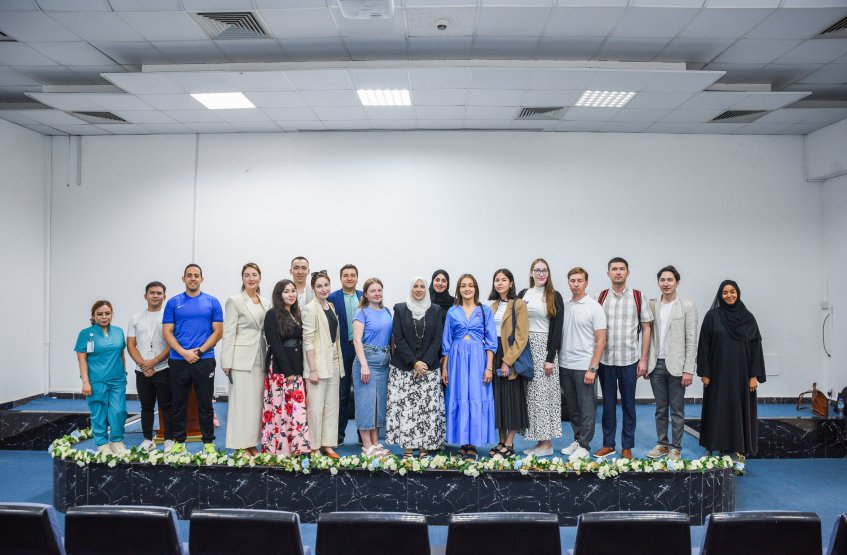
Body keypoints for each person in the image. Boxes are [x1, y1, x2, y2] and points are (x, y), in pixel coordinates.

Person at [697, 280, 766, 457]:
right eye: (725, 292)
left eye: (732, 291)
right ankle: (713, 445)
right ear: (720, 295)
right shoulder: (712, 316)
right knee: (717, 409)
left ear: (738, 293)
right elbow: (703, 344)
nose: (729, 295)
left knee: (738, 410)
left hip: (741, 376)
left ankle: (736, 449)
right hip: (717, 374)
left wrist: (753, 376)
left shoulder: (748, 318)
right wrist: (704, 372)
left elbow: (756, 347)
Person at [595, 257, 654, 460]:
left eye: (622, 269)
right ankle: (608, 444)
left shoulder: (638, 296)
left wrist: (643, 359)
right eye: (614, 269)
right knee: (608, 405)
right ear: (608, 273)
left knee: (629, 404)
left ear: (628, 273)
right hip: (606, 361)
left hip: (630, 361)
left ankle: (627, 446)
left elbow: (647, 328)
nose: (618, 272)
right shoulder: (600, 297)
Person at [162, 264, 223, 455]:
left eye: (196, 276)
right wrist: (183, 352)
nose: (193, 278)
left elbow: (218, 332)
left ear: (201, 279)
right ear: (183, 279)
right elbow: (167, 333)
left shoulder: (212, 302)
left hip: (204, 360)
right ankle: (179, 442)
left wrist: (198, 351)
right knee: (179, 403)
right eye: (189, 276)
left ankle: (208, 444)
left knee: (205, 403)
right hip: (178, 360)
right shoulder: (173, 303)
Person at [385, 276, 445, 458]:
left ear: (426, 290)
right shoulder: (401, 309)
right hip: (404, 369)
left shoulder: (435, 310)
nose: (419, 289)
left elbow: (437, 338)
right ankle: (408, 449)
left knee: (427, 411)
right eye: (415, 286)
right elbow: (398, 338)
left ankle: (425, 447)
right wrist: (414, 362)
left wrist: (424, 362)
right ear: (410, 289)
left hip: (429, 369)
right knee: (407, 410)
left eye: (422, 286)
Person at [441, 274, 497, 461]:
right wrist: (445, 368)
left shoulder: (485, 310)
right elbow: (446, 342)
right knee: (458, 396)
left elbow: (490, 342)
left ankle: (472, 445)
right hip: (456, 359)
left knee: (475, 396)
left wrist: (489, 368)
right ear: (458, 289)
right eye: (463, 285)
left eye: (470, 285)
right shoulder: (452, 311)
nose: (467, 289)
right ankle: (463, 442)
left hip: (477, 358)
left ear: (475, 288)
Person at [645, 266, 698, 461]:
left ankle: (676, 447)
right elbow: (646, 334)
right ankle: (662, 444)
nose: (666, 283)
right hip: (656, 364)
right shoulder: (652, 305)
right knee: (660, 408)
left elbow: (691, 339)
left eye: (670, 280)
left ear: (677, 282)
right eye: (662, 280)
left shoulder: (687, 305)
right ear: (658, 282)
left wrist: (688, 370)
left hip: (677, 366)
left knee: (676, 409)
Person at [221, 263, 271, 456]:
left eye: (255, 274)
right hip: (240, 359)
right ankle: (241, 445)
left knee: (256, 404)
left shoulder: (265, 302)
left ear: (260, 277)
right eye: (247, 275)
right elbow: (229, 332)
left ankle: (252, 444)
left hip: (261, 357)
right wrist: (227, 362)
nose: (251, 278)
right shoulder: (235, 301)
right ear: (242, 279)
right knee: (241, 403)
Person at [558, 268, 607, 460]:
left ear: (586, 282)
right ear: (568, 283)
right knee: (573, 408)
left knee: (587, 409)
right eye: (572, 280)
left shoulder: (595, 307)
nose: (576, 284)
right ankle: (578, 440)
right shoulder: (564, 306)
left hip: (584, 366)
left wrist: (592, 368)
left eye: (579, 280)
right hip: (565, 365)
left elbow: (601, 340)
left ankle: (585, 446)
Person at [518, 258, 564, 457]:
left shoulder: (554, 296)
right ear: (530, 273)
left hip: (545, 349)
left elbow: (557, 329)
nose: (541, 273)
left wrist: (550, 357)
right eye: (537, 270)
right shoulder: (523, 294)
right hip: (527, 348)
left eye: (544, 270)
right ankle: (539, 441)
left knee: (545, 397)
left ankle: (547, 444)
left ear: (549, 273)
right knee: (533, 398)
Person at [262, 279, 311, 456]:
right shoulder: (272, 314)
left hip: (298, 365)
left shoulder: (298, 314)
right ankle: (280, 449)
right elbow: (275, 343)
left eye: (293, 291)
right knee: (281, 409)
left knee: (297, 410)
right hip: (281, 369)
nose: (291, 294)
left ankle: (298, 448)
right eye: (286, 291)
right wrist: (288, 371)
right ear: (278, 295)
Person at [74, 300, 128, 455]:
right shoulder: (85, 334)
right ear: (93, 316)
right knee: (99, 412)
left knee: (119, 411)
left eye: (107, 313)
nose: (104, 317)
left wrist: (124, 373)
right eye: (100, 314)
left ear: (112, 314)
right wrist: (85, 382)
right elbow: (82, 359)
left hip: (117, 379)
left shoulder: (118, 331)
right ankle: (102, 444)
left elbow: (121, 354)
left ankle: (116, 441)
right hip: (96, 380)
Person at [487, 269, 529, 459]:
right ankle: (501, 441)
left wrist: (507, 361)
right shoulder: (493, 305)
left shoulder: (518, 304)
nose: (500, 283)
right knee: (498, 402)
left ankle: (510, 444)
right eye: (497, 280)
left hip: (509, 355)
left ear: (511, 283)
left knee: (511, 401)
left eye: (504, 280)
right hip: (493, 354)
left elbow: (521, 337)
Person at [126, 282, 173, 453]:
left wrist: (154, 362)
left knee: (166, 406)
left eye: (159, 293)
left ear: (164, 297)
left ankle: (169, 439)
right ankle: (147, 439)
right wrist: (143, 365)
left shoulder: (169, 317)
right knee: (146, 407)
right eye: (152, 293)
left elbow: (171, 345)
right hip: (142, 371)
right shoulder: (135, 318)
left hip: (164, 369)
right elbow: (131, 345)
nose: (155, 296)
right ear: (145, 296)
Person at [302, 271, 344, 459]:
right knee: (315, 408)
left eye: (326, 285)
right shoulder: (310, 309)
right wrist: (312, 369)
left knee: (331, 406)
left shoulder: (331, 306)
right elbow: (308, 340)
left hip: (334, 362)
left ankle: (328, 444)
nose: (323, 289)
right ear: (313, 288)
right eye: (319, 286)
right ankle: (314, 447)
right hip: (317, 365)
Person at [352, 277, 393, 457]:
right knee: (366, 404)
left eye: (379, 290)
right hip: (367, 360)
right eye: (372, 291)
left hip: (384, 362)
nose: (377, 293)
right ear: (366, 294)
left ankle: (376, 444)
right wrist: (364, 365)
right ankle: (367, 446)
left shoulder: (387, 312)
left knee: (378, 405)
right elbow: (357, 340)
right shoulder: (361, 313)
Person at [327, 264, 362, 445]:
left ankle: (362, 434)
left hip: (362, 351)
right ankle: (338, 434)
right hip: (341, 351)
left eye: (352, 275)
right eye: (346, 275)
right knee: (340, 393)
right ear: (341, 278)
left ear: (357, 277)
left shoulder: (364, 296)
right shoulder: (332, 298)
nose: (349, 278)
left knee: (362, 394)